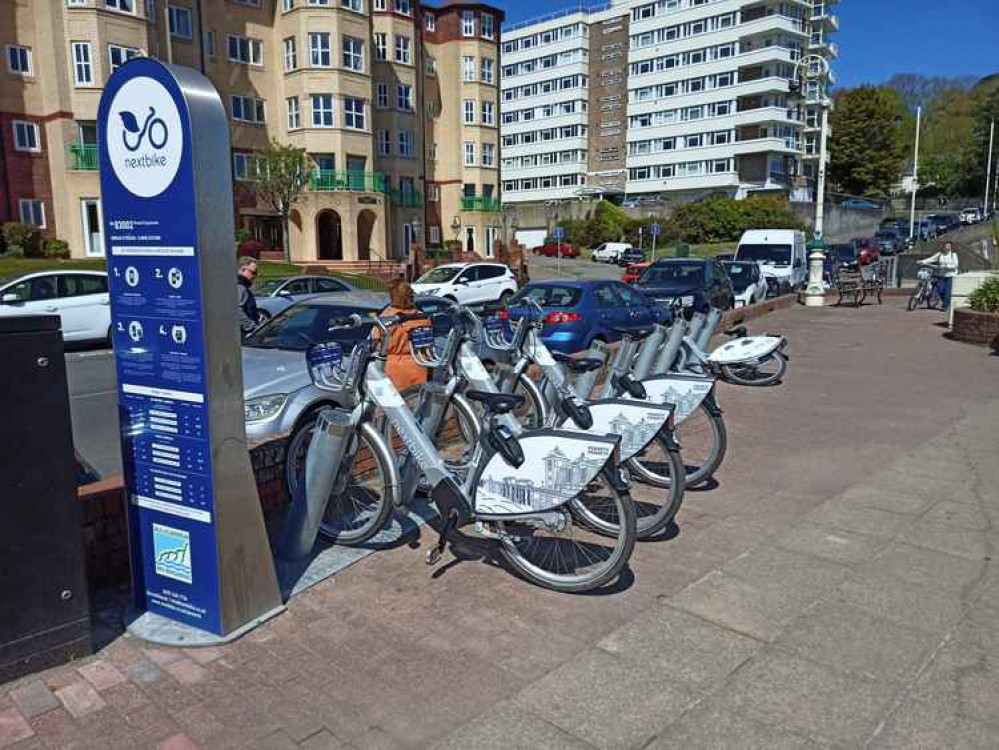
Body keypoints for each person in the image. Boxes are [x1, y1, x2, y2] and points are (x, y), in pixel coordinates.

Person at [375, 279, 430, 392]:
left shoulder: (386, 317)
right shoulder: (422, 317)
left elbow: (376, 344)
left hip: (393, 368)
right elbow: (427, 346)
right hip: (419, 364)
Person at [918, 242, 959, 309]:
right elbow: (931, 259)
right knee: (940, 290)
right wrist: (922, 261)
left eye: (949, 246)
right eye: (946, 246)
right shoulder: (940, 254)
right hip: (941, 275)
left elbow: (956, 265)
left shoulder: (953, 255)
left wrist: (946, 266)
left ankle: (945, 306)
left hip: (951, 275)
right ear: (943, 247)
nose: (947, 247)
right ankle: (947, 302)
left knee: (947, 291)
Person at [237, 256, 260, 336]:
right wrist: (252, 327)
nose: (255, 276)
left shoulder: (241, 286)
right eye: (253, 272)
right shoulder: (240, 287)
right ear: (242, 270)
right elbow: (236, 310)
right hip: (244, 334)